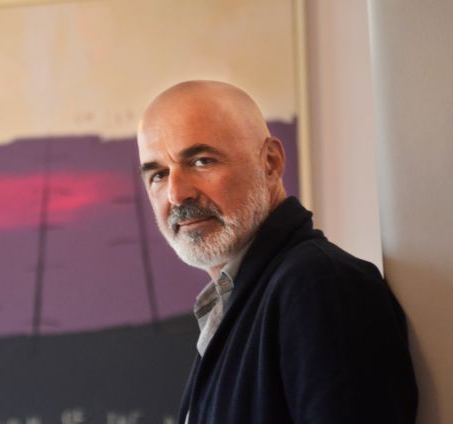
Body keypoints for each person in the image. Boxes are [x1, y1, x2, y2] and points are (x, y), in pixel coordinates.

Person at [136, 80, 418, 423]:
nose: (176, 194)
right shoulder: (245, 300)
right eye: (158, 175)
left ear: (270, 162)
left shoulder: (322, 286)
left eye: (201, 161)